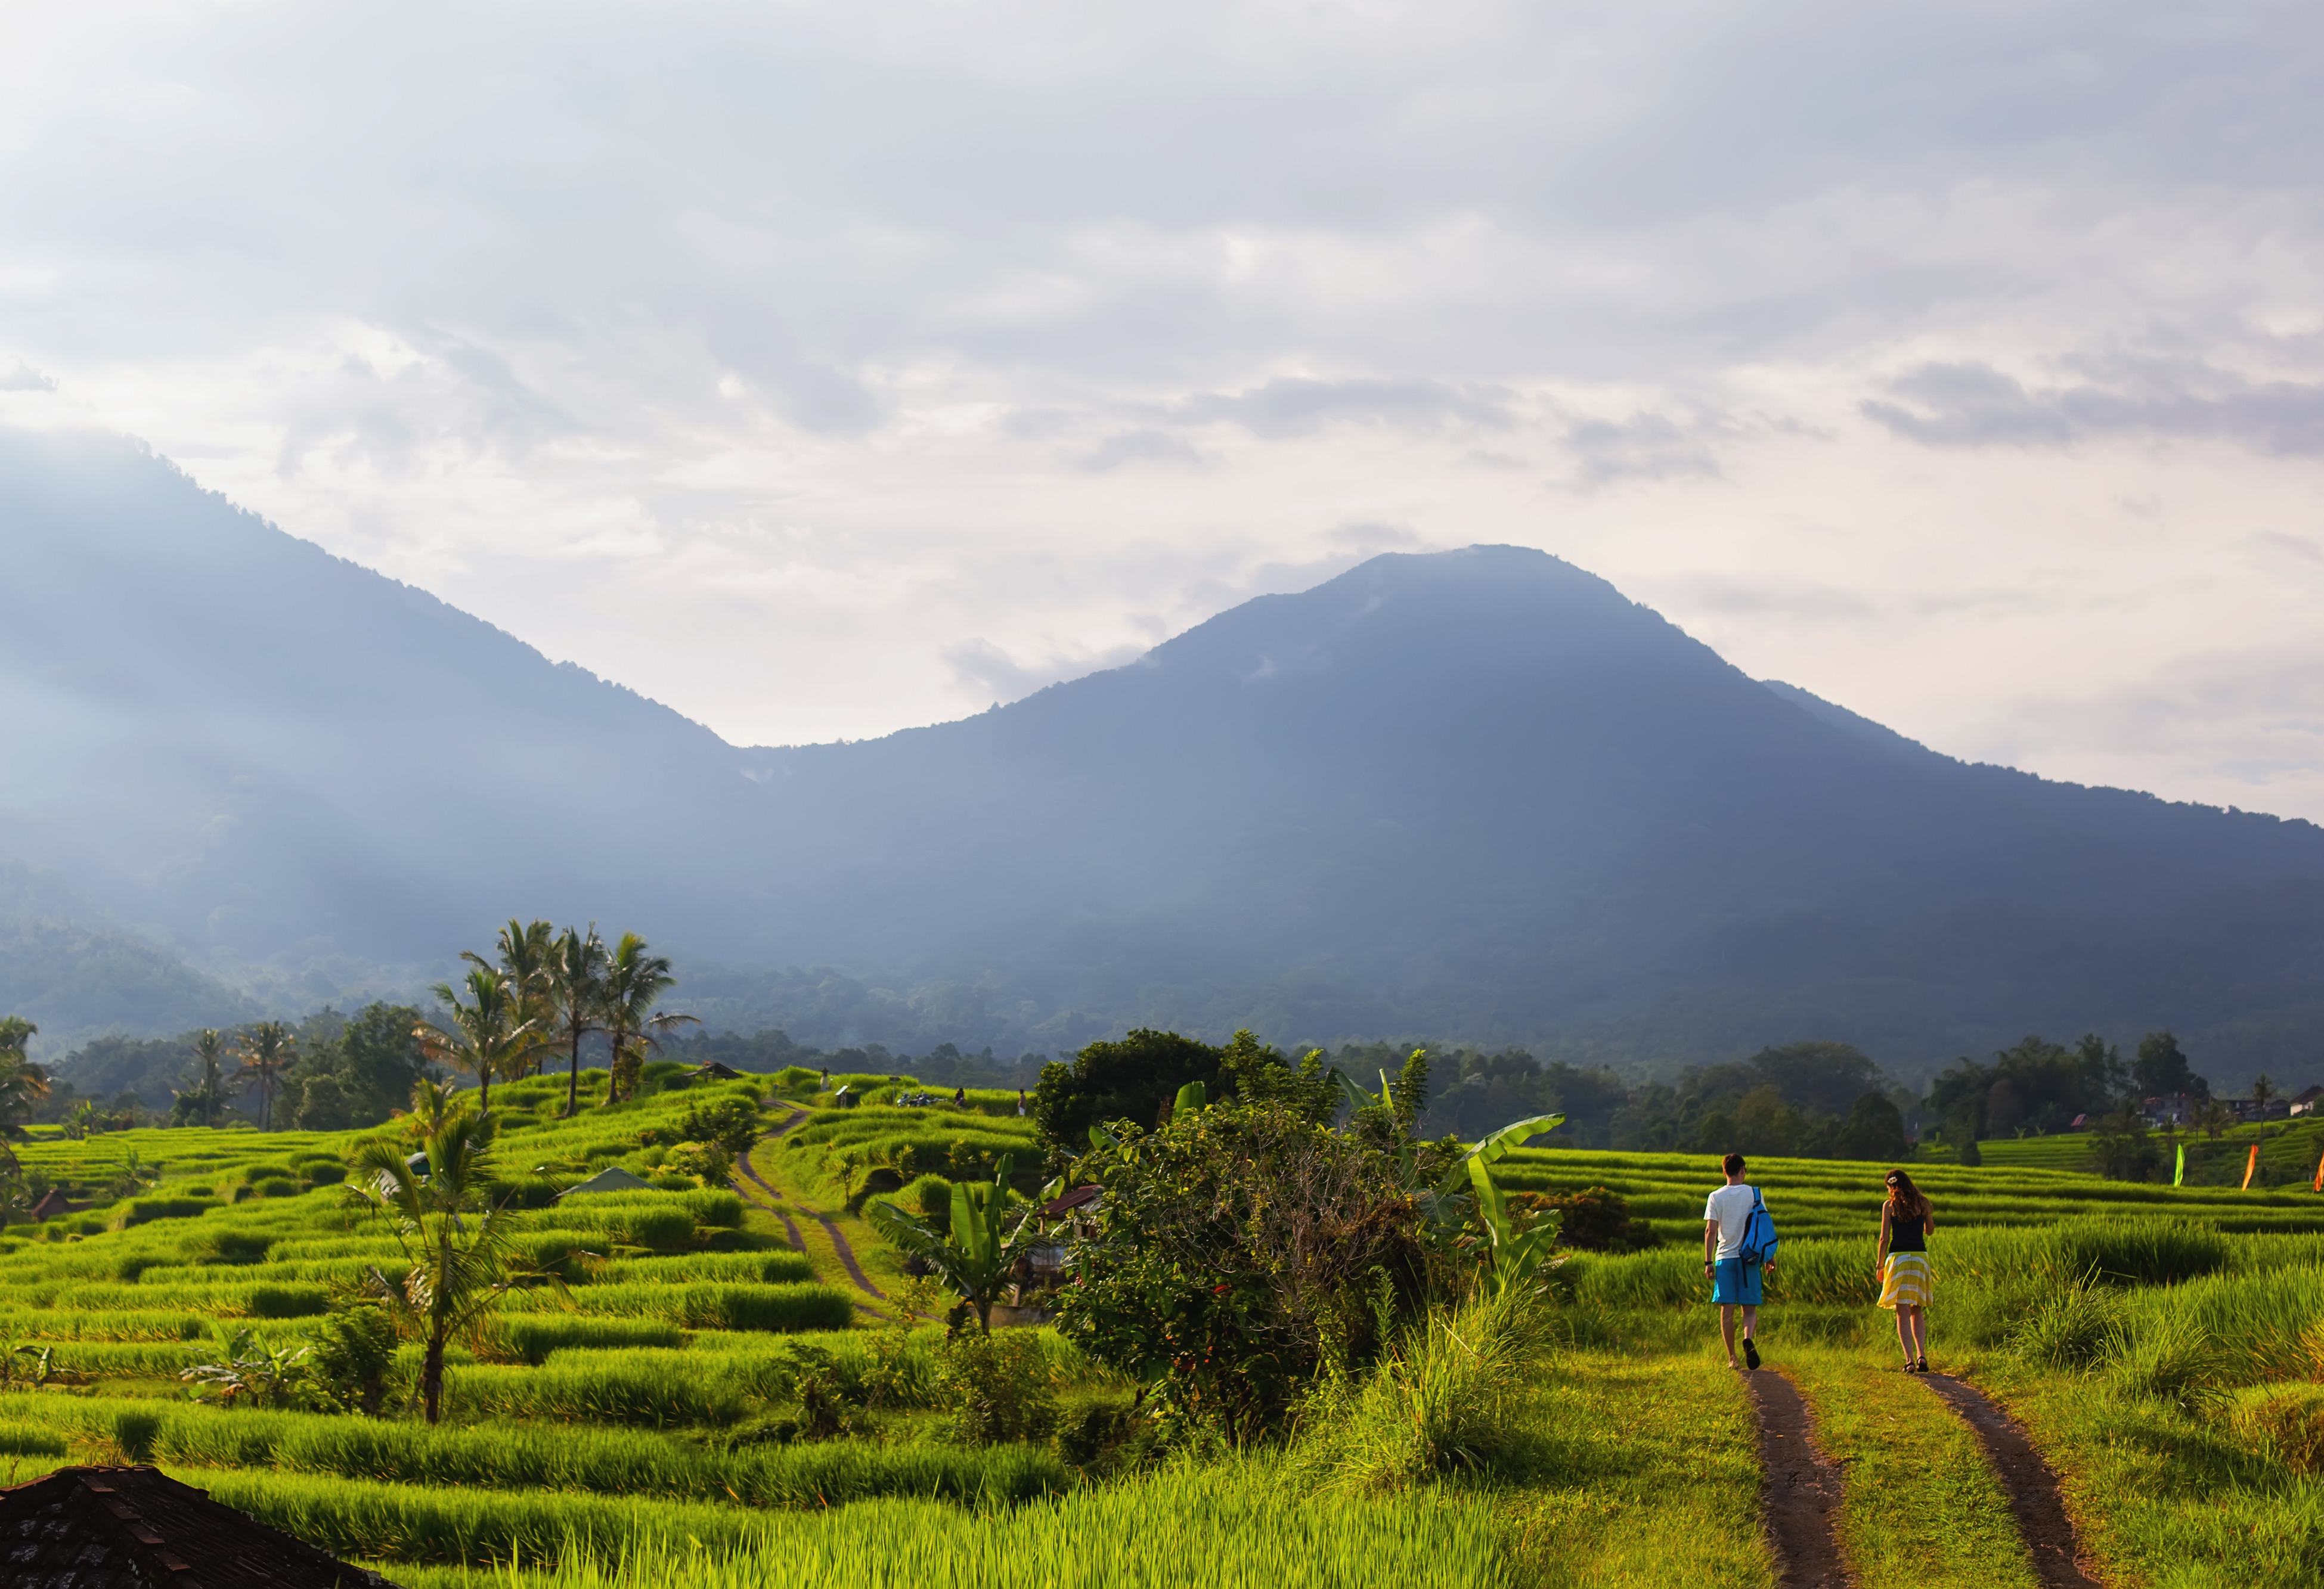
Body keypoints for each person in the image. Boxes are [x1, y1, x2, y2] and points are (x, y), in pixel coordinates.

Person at [1703, 1152, 1775, 1370]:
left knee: (1727, 1309)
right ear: (1743, 1170)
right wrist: (1769, 1256)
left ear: (1724, 1171)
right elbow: (1763, 1227)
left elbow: (1710, 1231)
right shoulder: (1755, 1194)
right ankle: (1748, 1338)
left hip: (1725, 1258)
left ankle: (1732, 1358)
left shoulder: (1715, 1196)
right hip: (1750, 1258)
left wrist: (1708, 1263)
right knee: (1750, 1309)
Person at [1876, 1168, 1934, 1372]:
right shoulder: (1924, 1203)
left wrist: (1880, 1265)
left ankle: (1909, 1361)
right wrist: (1926, 1214)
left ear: (1892, 1187)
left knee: (1901, 1312)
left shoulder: (1889, 1206)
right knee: (1916, 1308)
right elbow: (1929, 1231)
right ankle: (1922, 1356)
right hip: (1919, 1258)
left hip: (1898, 1259)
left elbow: (1884, 1238)